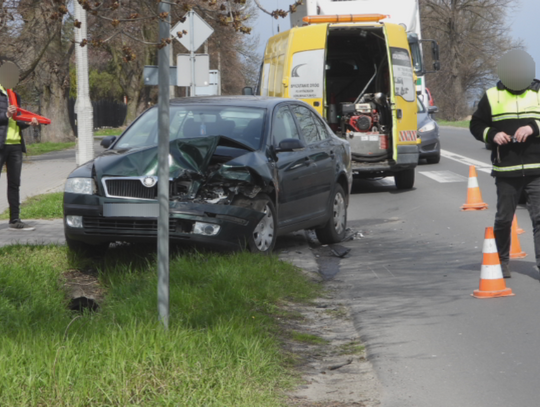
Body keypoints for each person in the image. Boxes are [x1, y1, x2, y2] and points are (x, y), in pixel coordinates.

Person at [470, 49, 540, 278]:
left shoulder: (539, 92)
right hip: (506, 170)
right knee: (503, 219)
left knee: (539, 219)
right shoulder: (491, 95)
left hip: (536, 168)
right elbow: (476, 125)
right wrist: (492, 134)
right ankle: (501, 262)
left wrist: (533, 128)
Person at [0, 62, 39, 231]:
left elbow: (18, 120)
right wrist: (6, 114)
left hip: (15, 146)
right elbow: (6, 117)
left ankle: (15, 219)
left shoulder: (15, 96)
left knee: (14, 183)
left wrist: (30, 123)